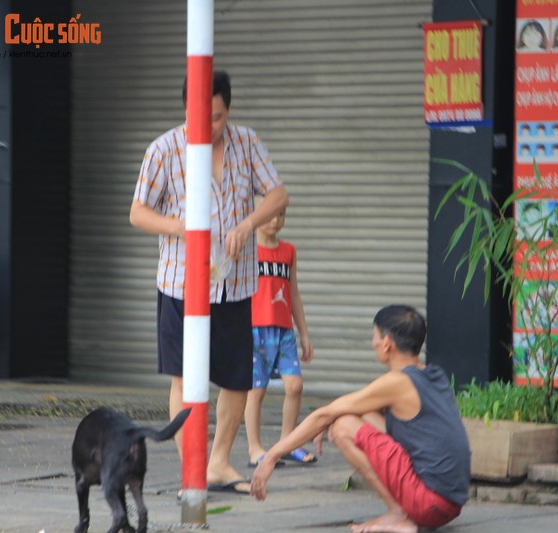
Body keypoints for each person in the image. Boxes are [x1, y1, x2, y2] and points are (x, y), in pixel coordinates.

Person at [130, 70, 289, 495]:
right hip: (181, 283)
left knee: (238, 377)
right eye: (201, 116)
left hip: (234, 283)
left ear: (228, 111)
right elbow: (138, 212)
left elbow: (277, 194)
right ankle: (192, 468)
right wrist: (179, 226)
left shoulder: (247, 142)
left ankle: (218, 462)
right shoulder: (164, 149)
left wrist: (249, 223)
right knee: (183, 377)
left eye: (217, 117)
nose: (209, 125)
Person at [251, 305, 471, 533]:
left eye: (374, 336)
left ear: (387, 344)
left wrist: (272, 456)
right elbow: (351, 409)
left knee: (343, 426)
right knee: (356, 413)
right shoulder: (433, 374)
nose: (372, 342)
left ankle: (398, 515)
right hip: (450, 505)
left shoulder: (397, 383)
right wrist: (331, 417)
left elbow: (325, 414)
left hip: (427, 502)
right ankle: (404, 512)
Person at [244, 201, 315, 468]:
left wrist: (304, 333)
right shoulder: (246, 249)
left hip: (283, 330)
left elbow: (293, 293)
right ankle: (254, 448)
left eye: (281, 215)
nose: (275, 221)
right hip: (253, 329)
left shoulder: (288, 251)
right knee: (256, 390)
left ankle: (287, 443)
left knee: (295, 385)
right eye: (271, 215)